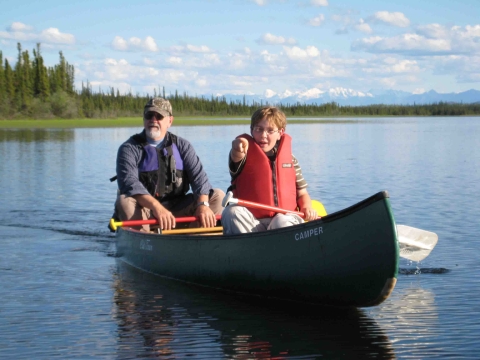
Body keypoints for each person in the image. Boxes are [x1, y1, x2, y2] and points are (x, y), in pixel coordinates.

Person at [112, 97, 224, 232]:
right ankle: (145, 239)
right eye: (149, 115)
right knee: (124, 201)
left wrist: (203, 205)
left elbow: (200, 180)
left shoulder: (183, 146)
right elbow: (129, 184)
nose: (153, 120)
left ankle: (197, 237)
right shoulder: (129, 148)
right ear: (144, 119)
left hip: (177, 208)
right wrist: (156, 207)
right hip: (145, 210)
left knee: (218, 196)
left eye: (159, 116)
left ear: (170, 121)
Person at [222, 106, 317, 234]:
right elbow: (236, 154)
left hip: (284, 221)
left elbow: (302, 193)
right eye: (258, 129)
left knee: (280, 221)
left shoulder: (291, 160)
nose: (263, 135)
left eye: (270, 130)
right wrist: (237, 147)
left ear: (280, 133)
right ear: (251, 130)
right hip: (253, 224)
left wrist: (307, 207)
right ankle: (247, 248)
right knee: (230, 212)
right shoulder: (242, 155)